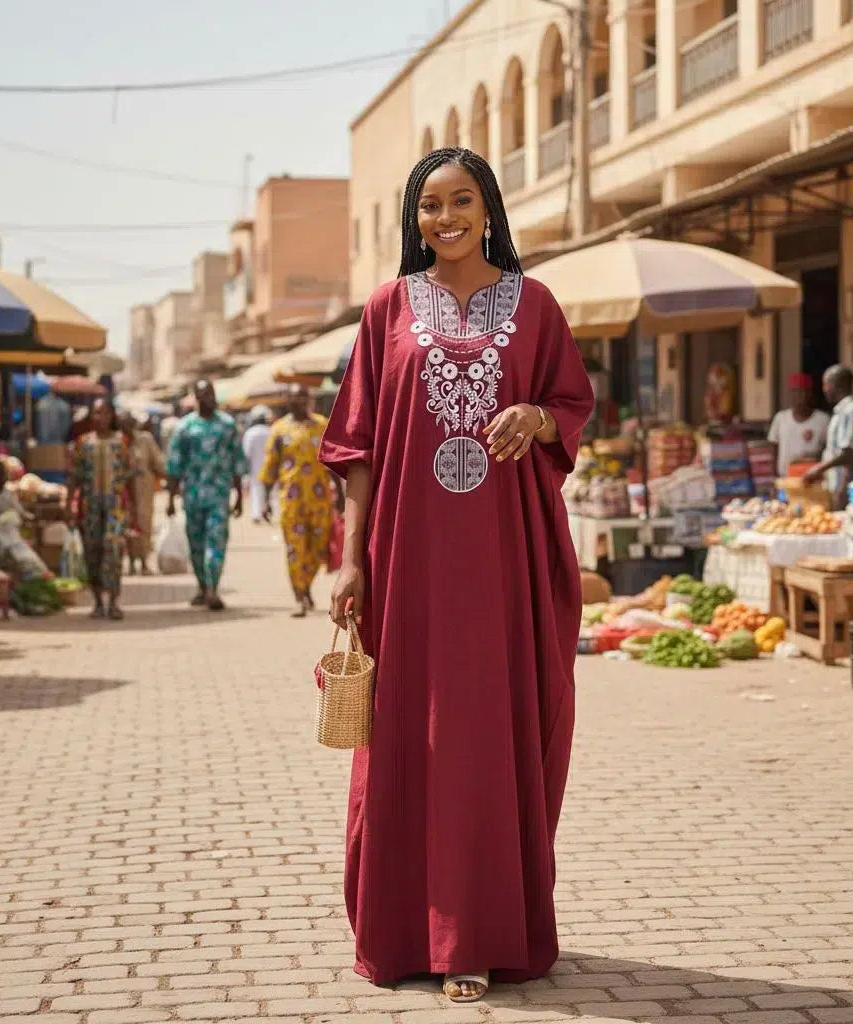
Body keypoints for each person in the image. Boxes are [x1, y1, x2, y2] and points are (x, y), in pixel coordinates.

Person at [319, 148, 593, 1003]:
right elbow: (356, 444)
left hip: (505, 560)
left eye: (461, 201)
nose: (444, 219)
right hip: (407, 561)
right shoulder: (386, 309)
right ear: (415, 218)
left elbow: (573, 406)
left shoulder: (538, 306)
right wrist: (353, 554)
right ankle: (408, 933)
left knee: (486, 733)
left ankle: (473, 934)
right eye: (429, 206)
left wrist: (538, 415)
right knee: (410, 734)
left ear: (488, 209)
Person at [165, 380, 245, 612]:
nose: (207, 399)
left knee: (217, 541)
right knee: (196, 544)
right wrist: (170, 499)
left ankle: (213, 589)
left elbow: (237, 461)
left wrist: (239, 495)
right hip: (191, 496)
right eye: (202, 395)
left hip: (218, 496)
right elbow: (174, 466)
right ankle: (202, 586)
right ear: (195, 397)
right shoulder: (185, 427)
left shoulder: (227, 425)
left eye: (210, 394)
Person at [260, 384, 333, 617]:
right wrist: (264, 501)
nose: (300, 401)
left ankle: (307, 585)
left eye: (303, 397)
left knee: (318, 548)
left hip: (320, 500)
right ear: (287, 401)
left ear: (309, 399)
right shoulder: (279, 430)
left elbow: (333, 462)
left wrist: (341, 498)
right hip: (291, 501)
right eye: (295, 398)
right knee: (295, 548)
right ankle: (299, 596)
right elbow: (270, 466)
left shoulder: (322, 425)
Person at [66, 397, 137, 620]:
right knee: (92, 552)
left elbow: (130, 477)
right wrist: (68, 505)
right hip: (90, 508)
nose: (101, 418)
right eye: (96, 413)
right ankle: (98, 602)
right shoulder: (83, 444)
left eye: (105, 413)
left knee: (114, 551)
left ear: (111, 416)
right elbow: (74, 478)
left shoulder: (122, 443)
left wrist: (133, 508)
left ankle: (114, 601)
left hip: (115, 507)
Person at [803, 365, 853, 508]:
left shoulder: (850, 412)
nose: (824, 389)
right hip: (851, 491)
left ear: (835, 386)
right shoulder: (850, 411)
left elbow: (848, 454)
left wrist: (819, 469)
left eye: (826, 384)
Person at [121, 412, 166, 575]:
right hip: (125, 492)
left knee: (144, 524)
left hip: (143, 491)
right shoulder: (119, 441)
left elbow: (158, 462)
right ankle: (132, 562)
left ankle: (145, 562)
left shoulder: (145, 440)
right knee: (127, 525)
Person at [767, 372, 830, 476]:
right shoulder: (780, 418)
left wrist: (811, 457)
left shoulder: (823, 419)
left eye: (805, 391)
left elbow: (829, 451)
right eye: (797, 391)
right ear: (790, 394)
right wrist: (774, 478)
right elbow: (773, 451)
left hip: (813, 479)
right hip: (786, 479)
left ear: (811, 394)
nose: (802, 396)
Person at [242, 406, 273, 524]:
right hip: (269, 466)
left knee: (256, 488)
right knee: (270, 490)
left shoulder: (250, 433)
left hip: (255, 466)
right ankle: (267, 510)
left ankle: (256, 514)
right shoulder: (271, 431)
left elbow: (246, 452)